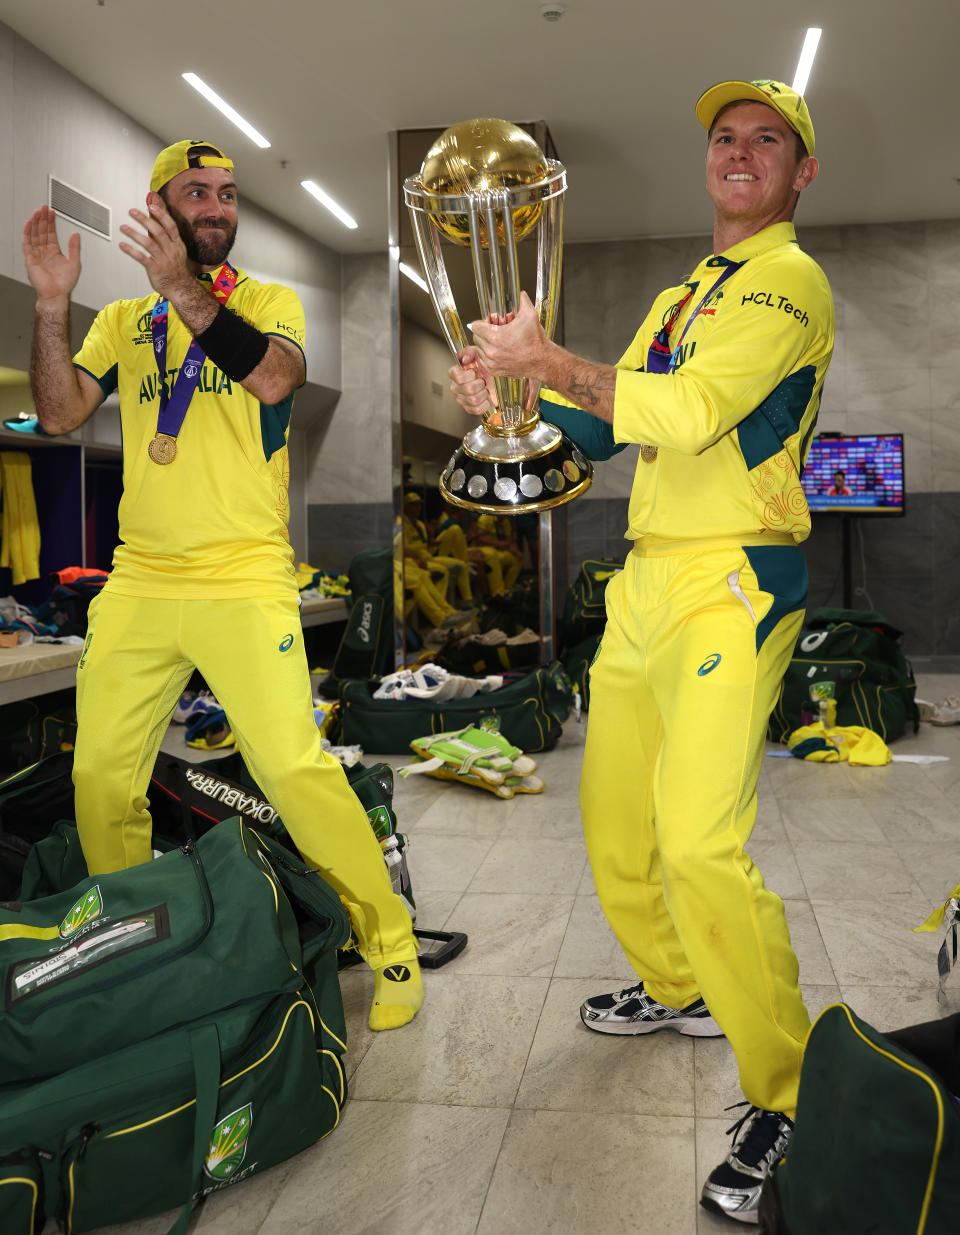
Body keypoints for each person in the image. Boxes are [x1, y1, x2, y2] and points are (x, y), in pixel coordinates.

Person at [449, 79, 834, 1222]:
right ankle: (679, 985)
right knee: (616, 825)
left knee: (699, 843)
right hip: (646, 578)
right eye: (725, 135)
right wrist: (506, 396)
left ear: (801, 174)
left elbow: (687, 411)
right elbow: (601, 417)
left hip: (733, 577)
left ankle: (797, 1088)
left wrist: (554, 360)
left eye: (770, 140)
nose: (741, 151)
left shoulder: (790, 281)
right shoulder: (681, 293)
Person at [22, 139, 422, 1032]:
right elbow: (57, 413)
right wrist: (52, 305)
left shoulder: (270, 302)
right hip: (140, 581)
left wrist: (180, 292)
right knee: (99, 777)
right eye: (195, 192)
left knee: (292, 768)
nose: (215, 207)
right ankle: (137, 952)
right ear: (160, 206)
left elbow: (275, 374)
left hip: (244, 576)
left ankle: (390, 943)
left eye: (227, 195)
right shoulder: (123, 320)